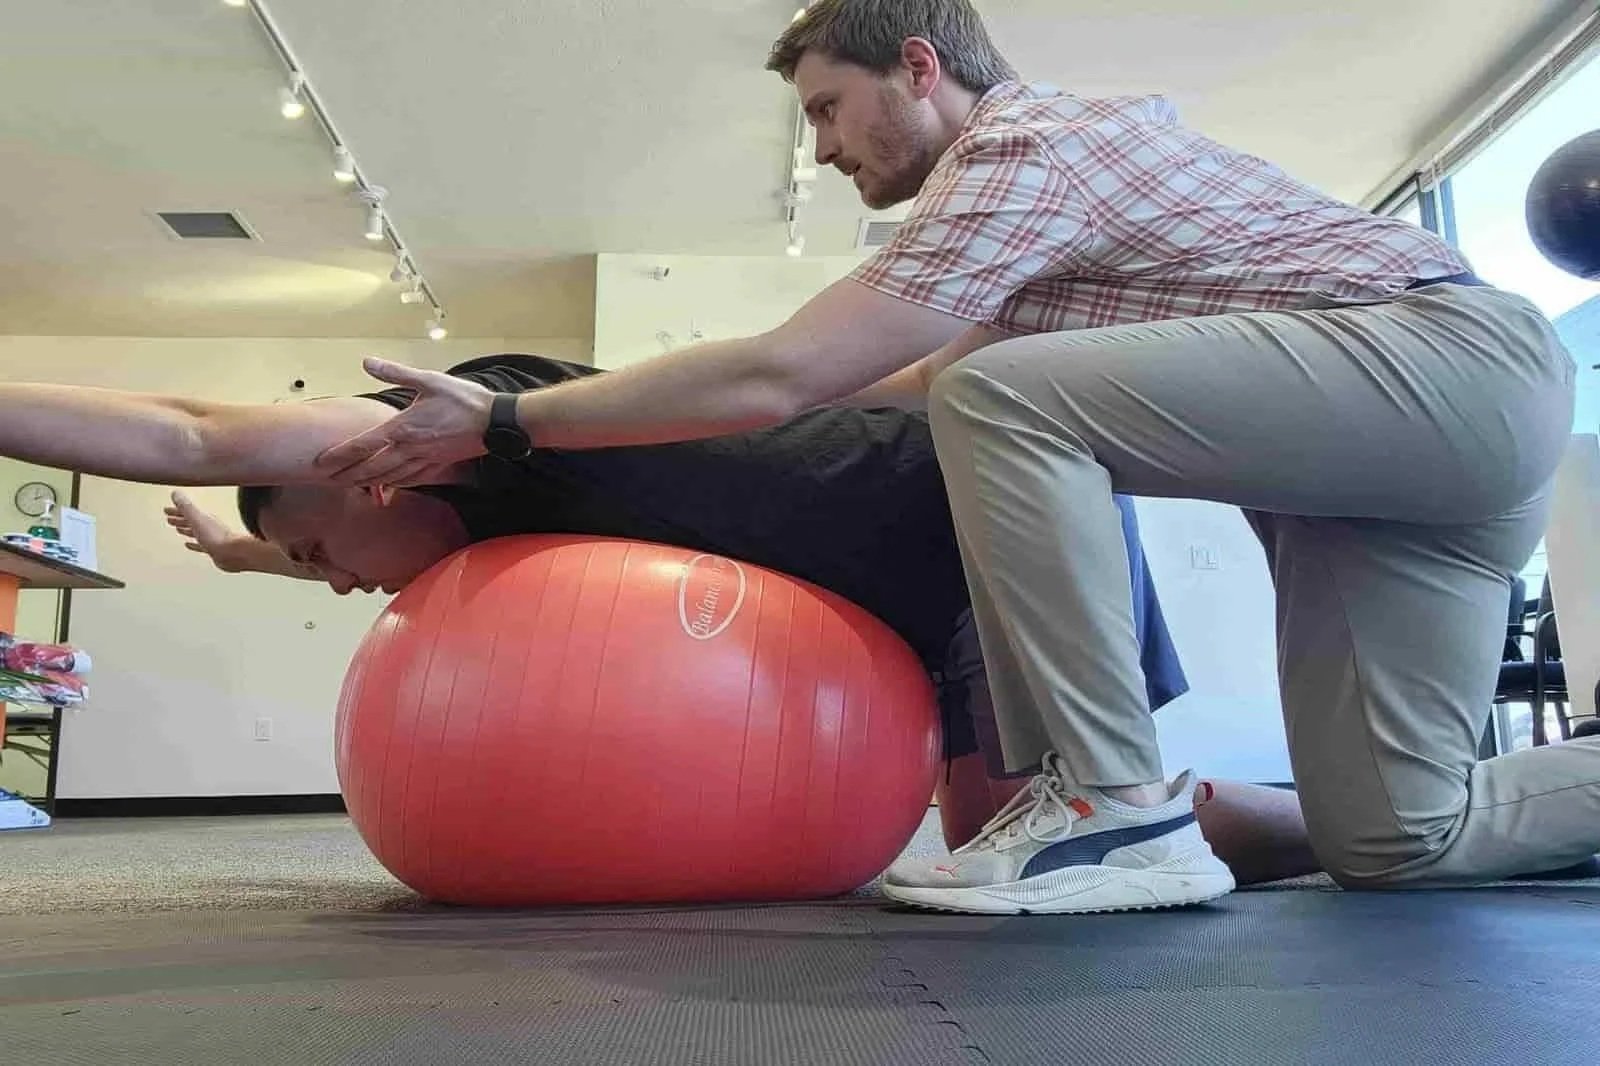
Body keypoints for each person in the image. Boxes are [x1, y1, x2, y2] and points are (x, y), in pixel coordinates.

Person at [314, 0, 1600, 913]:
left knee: (998, 398)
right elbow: (844, 384)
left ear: (917, 65)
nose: (821, 147)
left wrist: (504, 417)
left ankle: (1112, 807)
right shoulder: (1020, 245)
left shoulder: (1020, 151)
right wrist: (629, 426)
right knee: (1395, 837)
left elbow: (789, 373)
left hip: (1452, 365)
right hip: (1401, 460)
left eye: (828, 108)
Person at [0, 353, 1316, 882]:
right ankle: (1371, 833)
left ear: (372, 469)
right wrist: (253, 561)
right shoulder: (458, 521)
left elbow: (185, 429)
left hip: (972, 520)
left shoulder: (455, 431)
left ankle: (1381, 833)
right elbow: (367, 557)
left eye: (318, 546)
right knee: (1036, 845)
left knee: (1070, 848)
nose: (336, 580)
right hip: (920, 582)